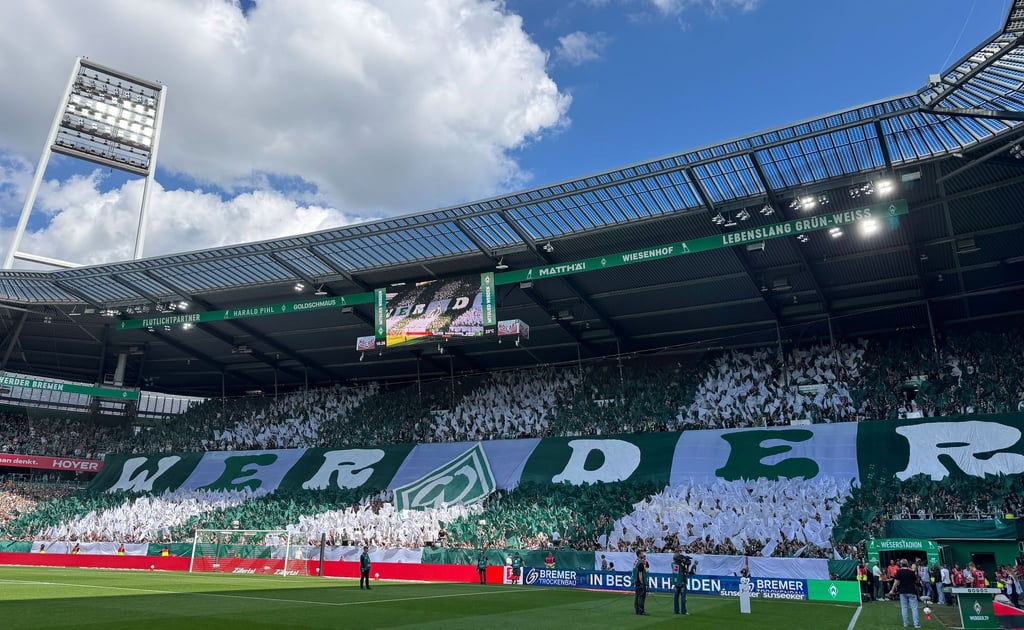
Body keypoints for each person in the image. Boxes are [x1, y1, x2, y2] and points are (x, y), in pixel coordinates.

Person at [890, 559, 921, 629]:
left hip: (903, 591)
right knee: (914, 608)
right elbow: (916, 580)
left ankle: (905, 623)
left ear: (901, 564)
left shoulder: (899, 571)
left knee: (904, 608)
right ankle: (916, 624)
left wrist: (892, 590)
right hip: (912, 591)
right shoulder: (911, 572)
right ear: (907, 564)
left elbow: (896, 582)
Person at [673, 551, 696, 615]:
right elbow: (686, 571)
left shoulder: (673, 564)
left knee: (676, 597)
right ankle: (683, 611)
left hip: (676, 582)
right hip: (682, 582)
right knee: (683, 598)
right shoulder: (681, 565)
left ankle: (676, 610)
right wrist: (687, 565)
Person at [633, 551, 649, 616]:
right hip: (640, 582)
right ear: (639, 555)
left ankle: (637, 609)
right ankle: (640, 610)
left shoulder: (636, 561)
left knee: (637, 596)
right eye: (642, 553)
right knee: (641, 596)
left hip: (636, 581)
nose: (643, 554)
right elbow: (640, 574)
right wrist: (642, 582)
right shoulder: (640, 563)